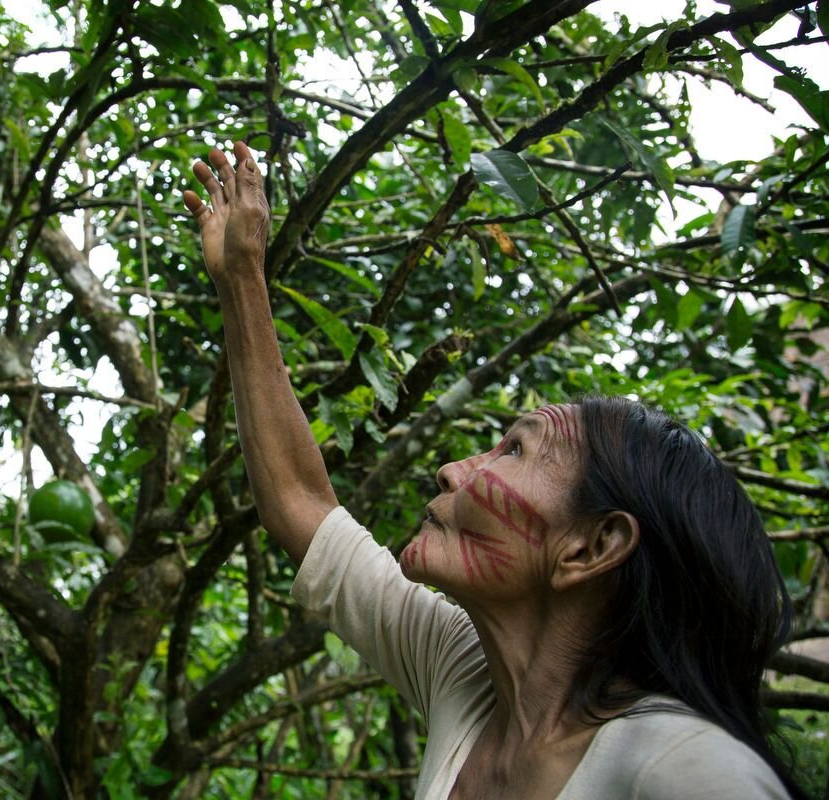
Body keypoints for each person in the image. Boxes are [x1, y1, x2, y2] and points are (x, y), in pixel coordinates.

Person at [182, 141, 805, 799]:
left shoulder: (689, 772)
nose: (453, 471)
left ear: (592, 546)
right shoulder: (470, 678)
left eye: (514, 451)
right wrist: (242, 276)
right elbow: (301, 502)